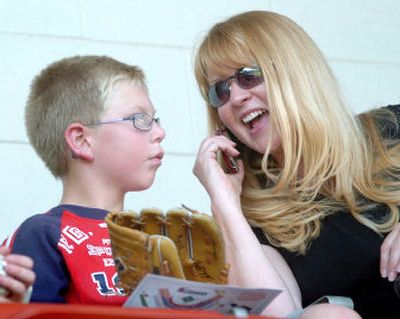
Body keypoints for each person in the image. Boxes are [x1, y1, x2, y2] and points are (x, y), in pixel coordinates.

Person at [192, 10, 400, 319]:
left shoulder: (392, 129)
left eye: (248, 76)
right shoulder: (254, 218)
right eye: (220, 90)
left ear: (294, 71)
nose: (235, 97)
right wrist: (226, 205)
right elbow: (272, 315)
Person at [2, 55, 165, 304]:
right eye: (140, 120)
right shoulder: (43, 234)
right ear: (82, 141)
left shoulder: (158, 238)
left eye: (155, 120)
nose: (160, 133)